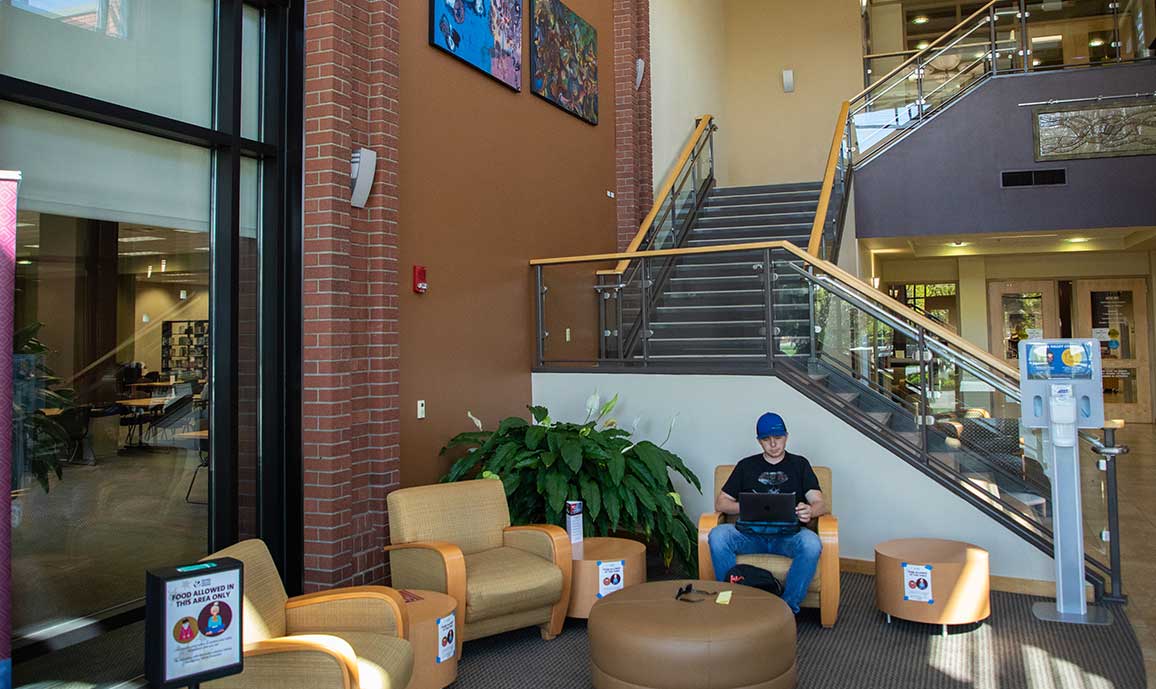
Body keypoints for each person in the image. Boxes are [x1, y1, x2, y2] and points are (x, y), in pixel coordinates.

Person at [708, 412, 827, 614]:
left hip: (788, 537)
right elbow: (721, 503)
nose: (773, 444)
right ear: (759, 441)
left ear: (786, 437)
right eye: (766, 439)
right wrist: (748, 506)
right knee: (718, 535)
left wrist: (809, 510)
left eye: (778, 438)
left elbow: (820, 503)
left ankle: (787, 609)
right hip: (750, 536)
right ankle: (730, 602)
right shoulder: (746, 465)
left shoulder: (800, 464)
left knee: (811, 543)